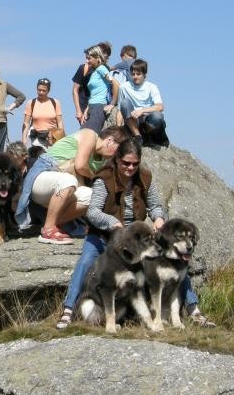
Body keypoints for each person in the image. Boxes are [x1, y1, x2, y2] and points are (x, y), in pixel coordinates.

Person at [55, 138, 213, 329]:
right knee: (87, 260)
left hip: (137, 239)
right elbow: (93, 211)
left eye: (135, 164)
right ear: (117, 159)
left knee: (178, 258)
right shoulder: (103, 178)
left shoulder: (145, 177)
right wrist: (112, 222)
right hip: (104, 236)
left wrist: (158, 218)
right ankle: (68, 310)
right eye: (126, 163)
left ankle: (194, 310)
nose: (130, 167)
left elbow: (155, 205)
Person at [15, 126, 131, 245]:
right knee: (69, 181)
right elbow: (80, 166)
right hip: (42, 177)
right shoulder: (90, 135)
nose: (116, 155)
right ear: (110, 141)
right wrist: (94, 176)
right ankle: (48, 230)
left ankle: (53, 222)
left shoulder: (101, 161)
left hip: (62, 192)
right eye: (118, 150)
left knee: (92, 196)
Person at [118, 58, 169, 147]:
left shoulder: (152, 87)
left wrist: (141, 111)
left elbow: (160, 107)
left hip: (147, 119)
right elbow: (120, 109)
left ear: (144, 75)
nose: (135, 77)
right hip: (133, 120)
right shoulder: (124, 87)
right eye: (133, 74)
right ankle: (138, 136)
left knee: (158, 116)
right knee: (124, 103)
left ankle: (147, 134)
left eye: (138, 74)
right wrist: (118, 128)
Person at [82, 44, 119, 133]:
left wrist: (112, 103)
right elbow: (94, 93)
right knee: (84, 133)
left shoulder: (102, 69)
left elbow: (115, 83)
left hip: (98, 107)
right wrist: (86, 110)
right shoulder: (95, 71)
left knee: (89, 134)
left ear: (97, 57)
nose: (87, 61)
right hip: (92, 107)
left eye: (89, 58)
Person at [22, 78, 64, 149]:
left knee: (52, 159)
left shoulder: (55, 102)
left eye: (44, 91)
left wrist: (62, 138)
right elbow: (26, 123)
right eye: (39, 90)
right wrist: (24, 139)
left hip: (52, 139)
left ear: (48, 91)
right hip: (36, 139)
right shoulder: (31, 103)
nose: (41, 92)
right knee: (38, 159)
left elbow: (60, 122)